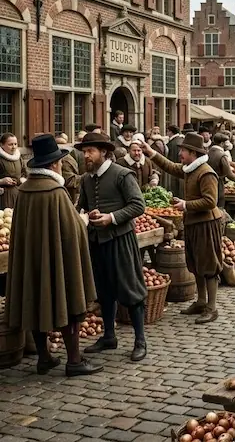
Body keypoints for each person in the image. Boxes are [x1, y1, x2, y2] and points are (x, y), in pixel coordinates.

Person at [5, 134, 103, 377]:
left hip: (33, 262)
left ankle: (44, 358)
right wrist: (83, 220)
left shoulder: (24, 191)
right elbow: (72, 230)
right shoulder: (56, 192)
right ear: (53, 165)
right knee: (68, 302)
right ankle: (74, 361)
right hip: (58, 262)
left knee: (35, 302)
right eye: (59, 161)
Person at [75, 133, 148, 361]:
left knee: (130, 288)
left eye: (90, 151)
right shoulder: (86, 179)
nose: (86, 156)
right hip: (96, 242)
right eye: (84, 152)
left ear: (104, 152)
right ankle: (109, 336)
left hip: (120, 240)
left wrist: (112, 217)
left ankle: (140, 340)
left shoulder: (122, 175)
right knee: (104, 291)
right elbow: (82, 207)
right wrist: (87, 215)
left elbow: (138, 205)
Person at [143, 133, 225, 324]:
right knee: (195, 263)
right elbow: (171, 167)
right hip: (193, 223)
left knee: (209, 264)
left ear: (193, 153)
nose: (180, 153)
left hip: (206, 224)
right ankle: (201, 301)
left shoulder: (206, 172)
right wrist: (151, 153)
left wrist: (186, 205)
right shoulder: (191, 168)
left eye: (183, 150)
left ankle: (211, 308)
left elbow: (210, 201)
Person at [0, 133, 25, 208]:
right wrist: (2, 181)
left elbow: (24, 173)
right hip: (3, 196)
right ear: (2, 145)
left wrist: (22, 179)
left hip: (18, 194)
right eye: (10, 144)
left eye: (15, 144)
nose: (14, 147)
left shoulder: (19, 158)